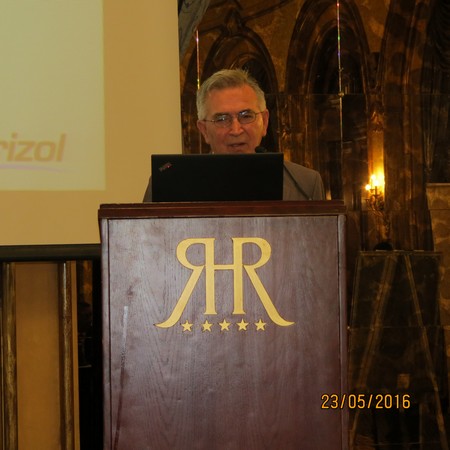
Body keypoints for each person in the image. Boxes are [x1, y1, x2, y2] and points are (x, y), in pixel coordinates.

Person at [143, 68, 324, 201]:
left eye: (246, 116)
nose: (236, 130)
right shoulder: (167, 185)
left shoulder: (305, 185)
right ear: (204, 130)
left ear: (265, 121)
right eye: (222, 119)